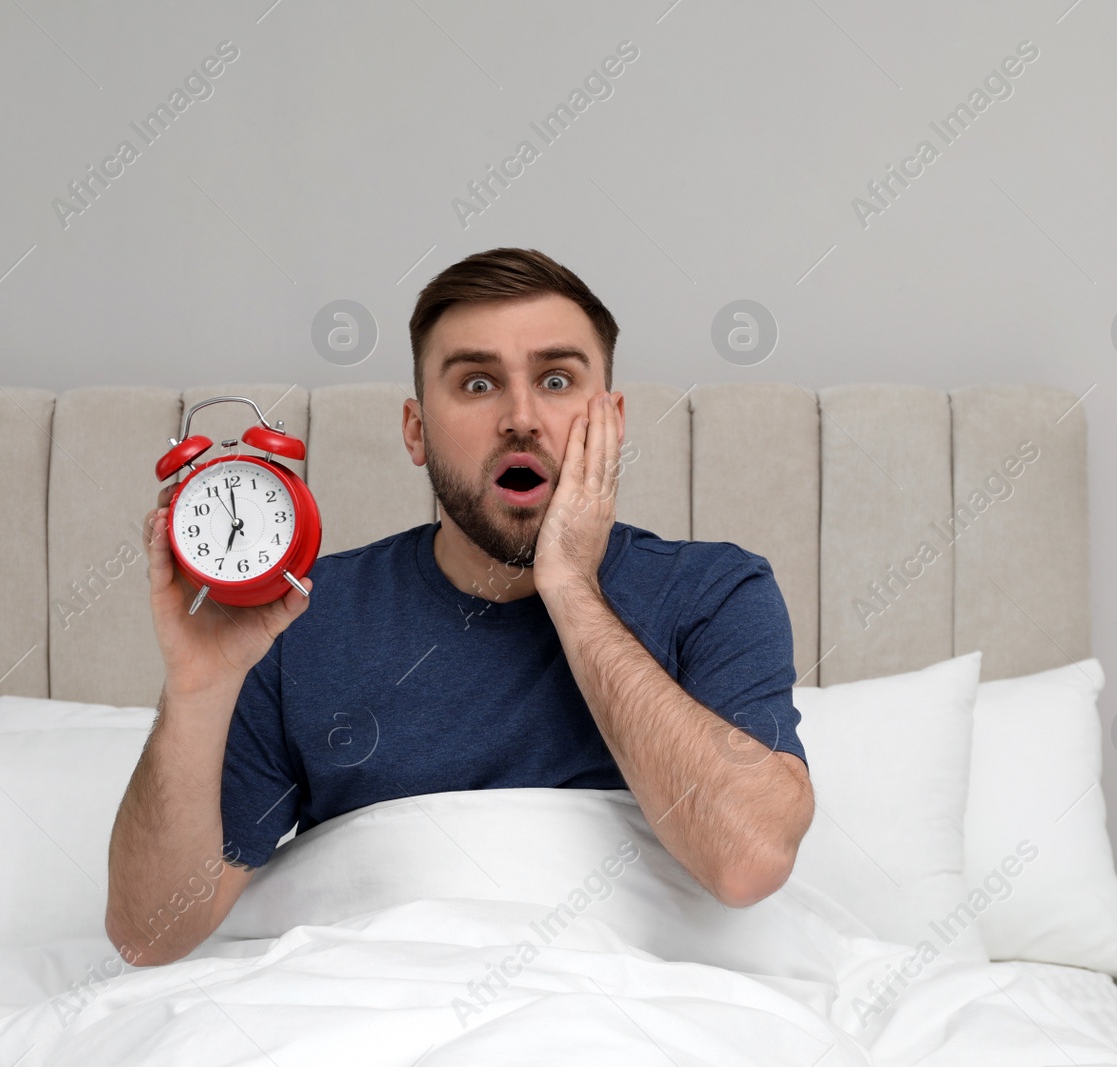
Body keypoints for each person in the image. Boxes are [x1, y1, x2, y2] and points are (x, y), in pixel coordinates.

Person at [105, 247, 814, 966]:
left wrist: (569, 586)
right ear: (416, 429)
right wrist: (197, 689)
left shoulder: (715, 592)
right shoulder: (293, 620)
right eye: (477, 383)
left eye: (558, 379)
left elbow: (748, 858)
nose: (521, 417)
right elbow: (150, 932)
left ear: (613, 420)